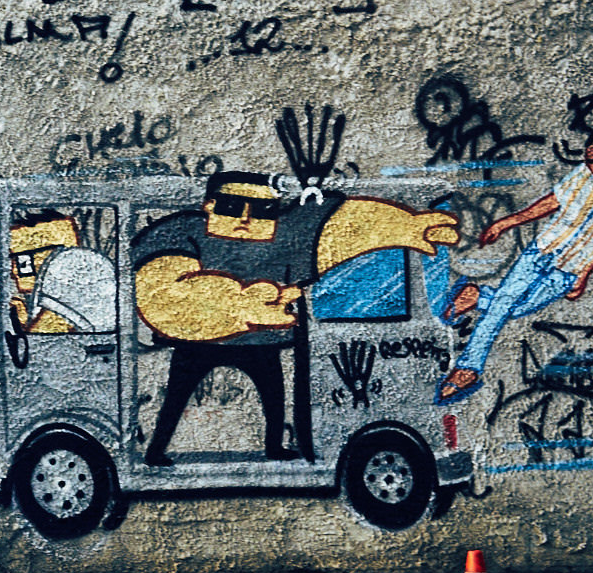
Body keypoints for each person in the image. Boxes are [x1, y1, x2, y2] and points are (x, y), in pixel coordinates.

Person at [134, 172, 459, 464]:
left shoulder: (284, 237)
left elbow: (339, 230)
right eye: (232, 207)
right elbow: (161, 286)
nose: (246, 219)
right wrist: (237, 306)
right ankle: (156, 449)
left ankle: (274, 447)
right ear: (209, 205)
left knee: (274, 398)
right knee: (177, 397)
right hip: (199, 344)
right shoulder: (185, 231)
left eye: (261, 211)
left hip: (262, 342)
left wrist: (406, 224)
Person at [435, 113, 593, 405]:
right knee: (502, 307)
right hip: (542, 252)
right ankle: (467, 368)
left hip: (570, 269)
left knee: (520, 308)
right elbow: (551, 202)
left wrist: (585, 272)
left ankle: (476, 296)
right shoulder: (583, 175)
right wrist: (507, 222)